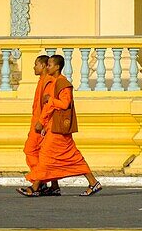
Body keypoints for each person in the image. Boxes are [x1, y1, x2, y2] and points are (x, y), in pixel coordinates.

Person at [17, 53, 101, 198]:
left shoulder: (62, 83)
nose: (47, 67)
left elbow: (64, 104)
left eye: (49, 65)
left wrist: (51, 101)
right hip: (53, 127)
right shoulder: (56, 82)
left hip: (59, 128)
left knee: (46, 156)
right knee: (72, 157)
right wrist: (43, 121)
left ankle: (35, 186)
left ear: (57, 67)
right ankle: (93, 183)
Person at [23, 54, 59, 196]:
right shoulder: (42, 81)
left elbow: (48, 106)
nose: (34, 67)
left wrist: (42, 123)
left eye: (36, 64)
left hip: (40, 124)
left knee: (30, 150)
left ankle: (39, 182)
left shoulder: (48, 82)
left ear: (43, 66)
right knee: (45, 155)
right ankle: (53, 184)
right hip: (37, 122)